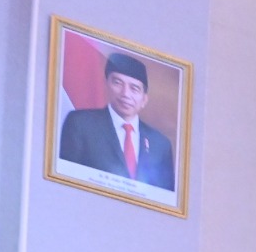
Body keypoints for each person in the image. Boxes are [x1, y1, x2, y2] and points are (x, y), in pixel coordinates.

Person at [57, 50, 178, 190]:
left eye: (134, 88)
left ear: (144, 100)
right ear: (106, 85)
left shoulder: (160, 144)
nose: (125, 94)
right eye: (118, 83)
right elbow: (64, 182)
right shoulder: (80, 124)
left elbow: (163, 199)